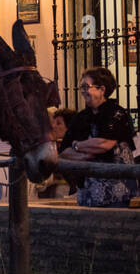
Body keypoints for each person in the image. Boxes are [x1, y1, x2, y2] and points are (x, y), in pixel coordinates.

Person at [58, 67, 139, 207]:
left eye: (86, 86)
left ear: (102, 89)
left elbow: (103, 144)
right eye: (81, 87)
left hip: (115, 192)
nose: (82, 91)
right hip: (87, 192)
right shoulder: (81, 117)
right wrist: (83, 156)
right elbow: (63, 151)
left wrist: (77, 145)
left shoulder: (117, 113)